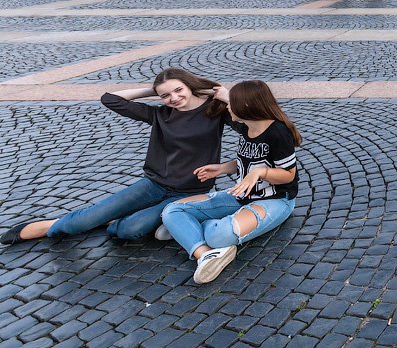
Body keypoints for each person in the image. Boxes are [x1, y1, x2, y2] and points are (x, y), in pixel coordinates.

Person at [0, 69, 230, 245]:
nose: (174, 98)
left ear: (189, 85)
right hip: (154, 184)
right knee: (86, 218)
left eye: (179, 90)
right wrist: (152, 90)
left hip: (192, 191)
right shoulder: (160, 114)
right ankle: (48, 226)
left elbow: (257, 123)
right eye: (166, 95)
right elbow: (110, 99)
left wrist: (227, 97)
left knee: (128, 231)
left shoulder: (214, 111)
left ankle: (160, 218)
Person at [159, 80, 300, 284]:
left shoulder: (278, 133)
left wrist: (259, 173)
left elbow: (288, 175)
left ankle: (188, 232)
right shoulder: (245, 127)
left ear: (246, 107)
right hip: (241, 195)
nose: (228, 107)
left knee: (219, 236)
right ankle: (206, 255)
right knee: (171, 211)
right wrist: (222, 168)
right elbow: (247, 160)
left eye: (231, 103)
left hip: (277, 200)